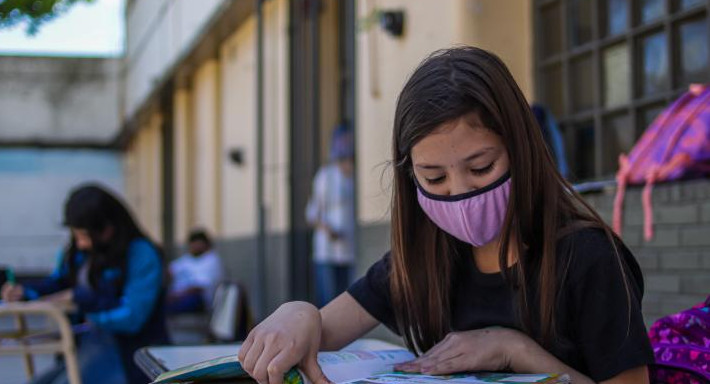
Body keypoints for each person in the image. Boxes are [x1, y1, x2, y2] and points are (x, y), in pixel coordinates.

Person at [237, 47, 655, 384]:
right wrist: (297, 313)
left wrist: (513, 351)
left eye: (481, 168)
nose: (461, 195)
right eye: (434, 178)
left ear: (522, 150)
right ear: (409, 178)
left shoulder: (589, 258)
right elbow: (320, 330)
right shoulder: (421, 260)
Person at [1, 184, 169, 384]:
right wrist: (25, 292)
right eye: (76, 235)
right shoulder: (78, 255)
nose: (80, 243)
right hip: (84, 352)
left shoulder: (141, 254)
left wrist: (79, 299)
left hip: (127, 358)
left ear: (108, 229)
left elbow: (132, 317)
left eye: (84, 236)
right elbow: (59, 282)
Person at [305, 124, 356, 307]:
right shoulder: (326, 176)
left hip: (350, 250)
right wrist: (328, 230)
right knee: (328, 302)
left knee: (348, 302)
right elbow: (312, 213)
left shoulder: (356, 177)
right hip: (327, 250)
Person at [167, 229, 223, 314]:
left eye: (198, 243)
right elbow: (171, 270)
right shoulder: (187, 259)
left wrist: (178, 295)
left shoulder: (211, 260)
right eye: (193, 243)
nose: (195, 246)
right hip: (177, 296)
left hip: (198, 300)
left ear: (205, 244)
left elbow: (199, 287)